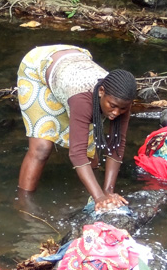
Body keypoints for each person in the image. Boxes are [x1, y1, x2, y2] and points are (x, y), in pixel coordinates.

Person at [17, 45, 137, 212]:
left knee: (91, 158)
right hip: (39, 67)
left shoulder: (122, 98)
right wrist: (99, 198)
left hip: (73, 65)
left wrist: (108, 191)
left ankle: (83, 198)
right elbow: (76, 153)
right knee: (42, 148)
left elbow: (117, 143)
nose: (116, 112)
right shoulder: (82, 99)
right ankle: (24, 206)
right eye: (113, 106)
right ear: (101, 91)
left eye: (122, 109)